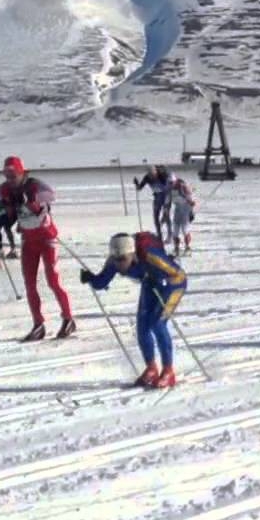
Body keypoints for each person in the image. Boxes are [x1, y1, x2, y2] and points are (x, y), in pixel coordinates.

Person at [82, 231, 188, 389]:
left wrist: (161, 280)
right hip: (150, 283)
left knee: (157, 324)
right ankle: (151, 368)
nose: (119, 264)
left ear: (132, 254)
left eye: (123, 259)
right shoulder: (114, 261)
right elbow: (102, 282)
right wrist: (89, 278)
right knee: (142, 326)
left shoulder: (151, 256)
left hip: (172, 285)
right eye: (116, 259)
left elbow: (178, 274)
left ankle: (168, 371)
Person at [0, 156, 76, 341]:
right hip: (28, 240)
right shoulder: (6, 189)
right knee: (29, 284)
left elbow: (52, 195)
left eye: (13, 174)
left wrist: (34, 199)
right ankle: (38, 325)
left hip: (47, 238)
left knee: (53, 281)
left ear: (21, 172)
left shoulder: (33, 184)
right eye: (7, 175)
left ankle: (68, 319)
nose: (10, 178)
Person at [134, 165, 175, 236]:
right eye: (150, 174)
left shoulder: (162, 175)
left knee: (166, 215)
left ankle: (169, 234)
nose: (152, 176)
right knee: (156, 216)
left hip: (166, 195)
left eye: (153, 174)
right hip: (157, 196)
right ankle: (159, 234)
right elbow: (139, 188)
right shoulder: (147, 177)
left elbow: (171, 184)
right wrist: (136, 183)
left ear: (156, 171)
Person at [164, 173, 199, 254]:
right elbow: (167, 201)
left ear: (175, 181)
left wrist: (191, 211)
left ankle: (187, 247)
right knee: (175, 231)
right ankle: (176, 248)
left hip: (186, 209)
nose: (171, 184)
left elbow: (191, 199)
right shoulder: (169, 189)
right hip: (178, 209)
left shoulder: (183, 187)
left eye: (172, 182)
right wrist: (165, 211)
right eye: (169, 183)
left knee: (185, 230)